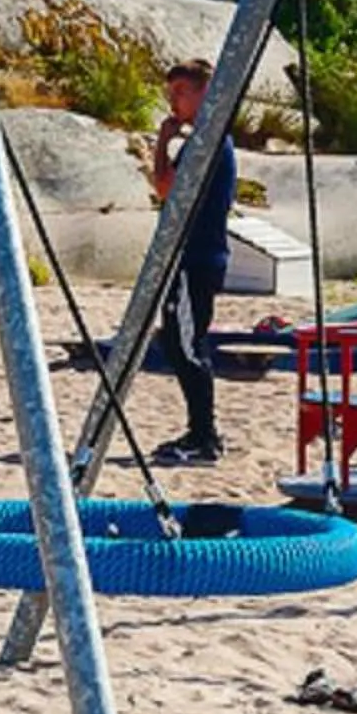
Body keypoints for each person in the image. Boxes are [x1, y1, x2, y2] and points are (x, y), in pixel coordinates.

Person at [149, 60, 235, 467]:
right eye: (172, 94)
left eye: (182, 91)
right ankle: (201, 430)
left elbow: (166, 188)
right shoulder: (206, 141)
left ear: (204, 92)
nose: (175, 102)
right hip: (196, 256)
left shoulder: (208, 143)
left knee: (184, 343)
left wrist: (162, 144)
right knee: (181, 339)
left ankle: (204, 435)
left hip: (195, 256)